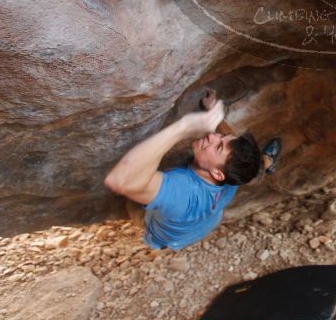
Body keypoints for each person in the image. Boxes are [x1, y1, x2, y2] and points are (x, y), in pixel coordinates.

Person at [104, 98, 281, 250]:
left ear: (217, 174)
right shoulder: (234, 174)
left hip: (167, 237)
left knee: (132, 205)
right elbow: (230, 143)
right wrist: (214, 114)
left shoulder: (184, 192)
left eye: (218, 146)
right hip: (208, 221)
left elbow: (121, 180)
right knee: (256, 170)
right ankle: (267, 162)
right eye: (221, 137)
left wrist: (183, 128)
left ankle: (266, 163)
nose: (212, 137)